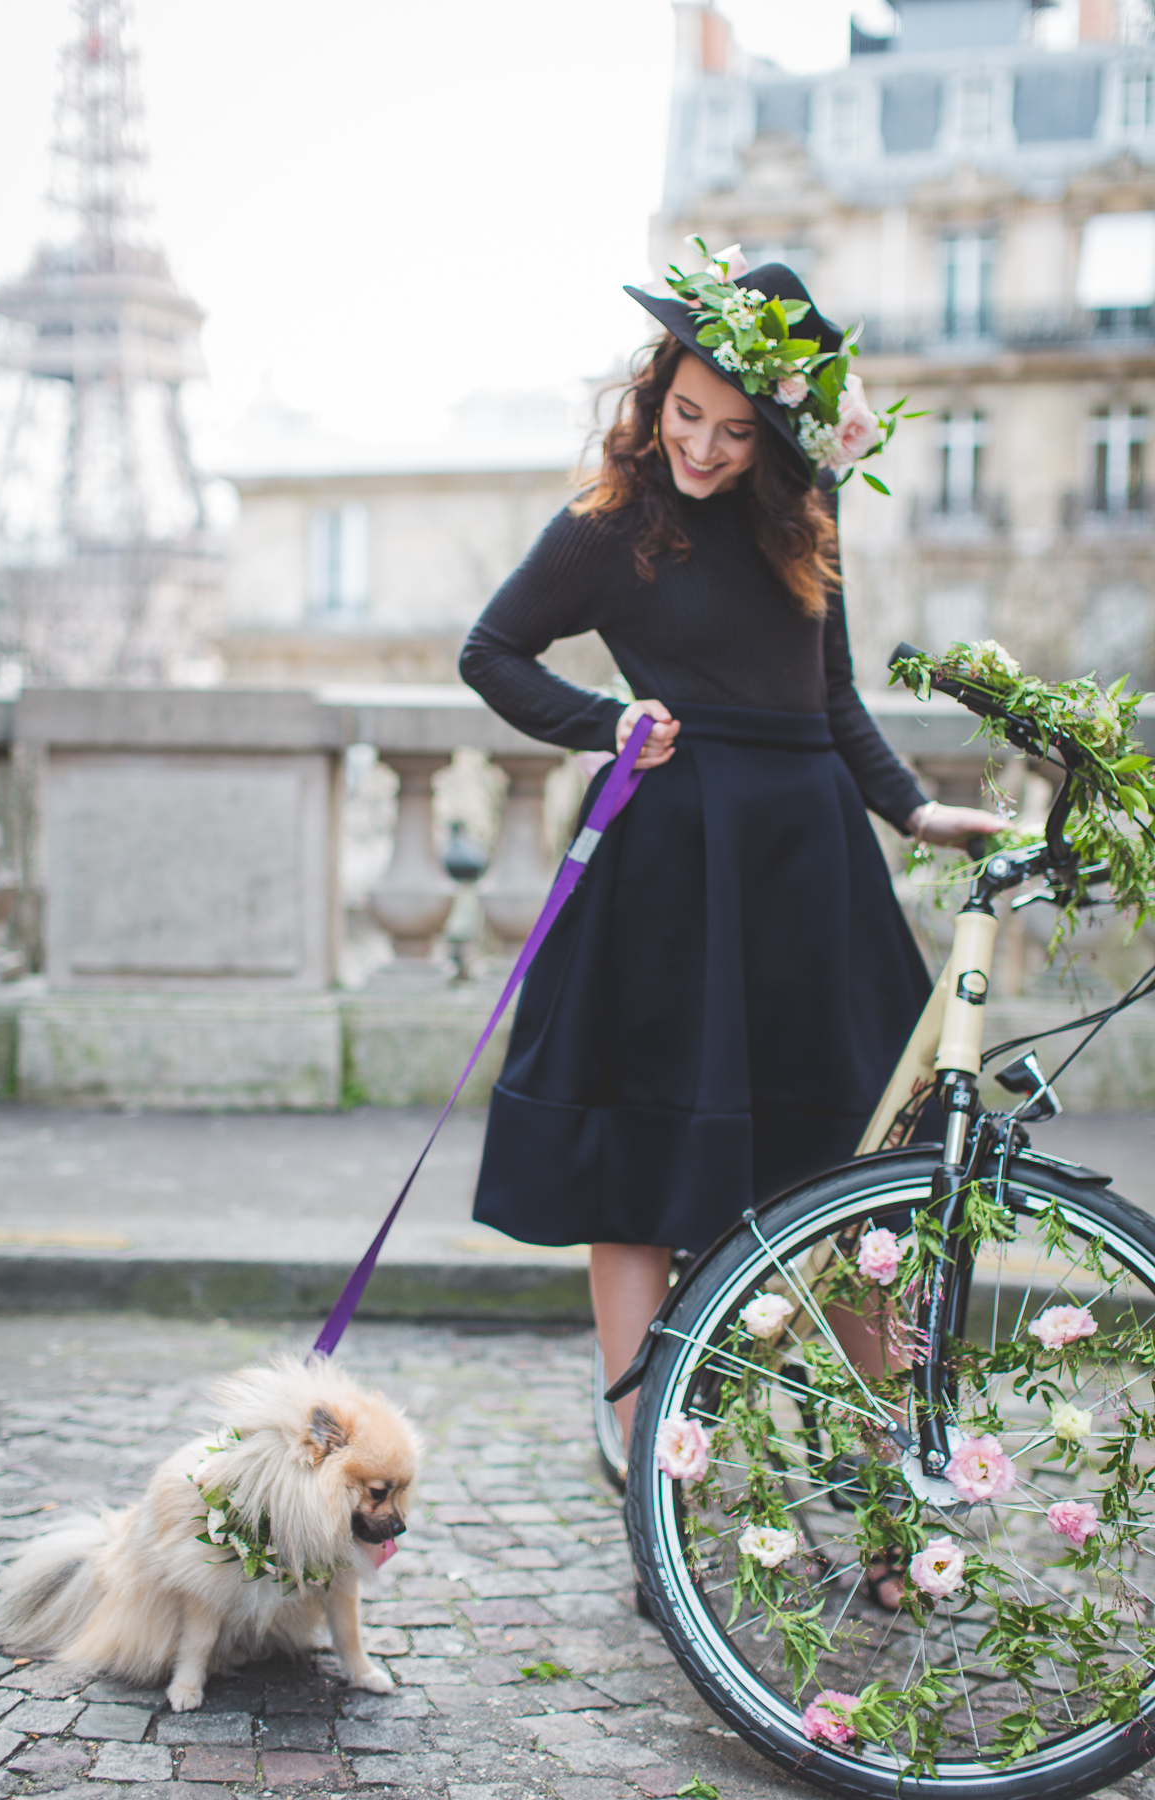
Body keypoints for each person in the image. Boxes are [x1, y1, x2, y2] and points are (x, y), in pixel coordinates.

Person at [458, 259, 1000, 1456]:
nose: (701, 447)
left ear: (779, 435)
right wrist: (607, 724)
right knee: (640, 1151)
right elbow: (491, 651)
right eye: (685, 414)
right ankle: (643, 1447)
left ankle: (892, 1469)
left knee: (852, 1155)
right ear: (656, 395)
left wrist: (915, 815)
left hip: (807, 864)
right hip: (673, 862)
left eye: (736, 430)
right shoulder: (608, 525)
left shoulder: (810, 516)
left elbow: (835, 695)